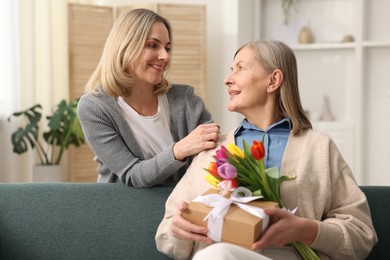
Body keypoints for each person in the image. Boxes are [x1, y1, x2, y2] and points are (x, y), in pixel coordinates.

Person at [155, 40, 377, 259]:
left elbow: (361, 234)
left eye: (240, 69)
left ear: (273, 81)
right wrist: (179, 230)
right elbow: (167, 233)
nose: (227, 79)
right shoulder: (212, 149)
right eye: (231, 70)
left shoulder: (318, 147)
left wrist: (306, 230)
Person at [77, 8, 219, 188]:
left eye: (167, 47)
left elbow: (214, 159)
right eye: (153, 45)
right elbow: (133, 175)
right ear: (126, 46)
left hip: (182, 208)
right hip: (124, 208)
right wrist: (180, 149)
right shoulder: (95, 107)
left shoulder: (186, 100)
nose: (165, 56)